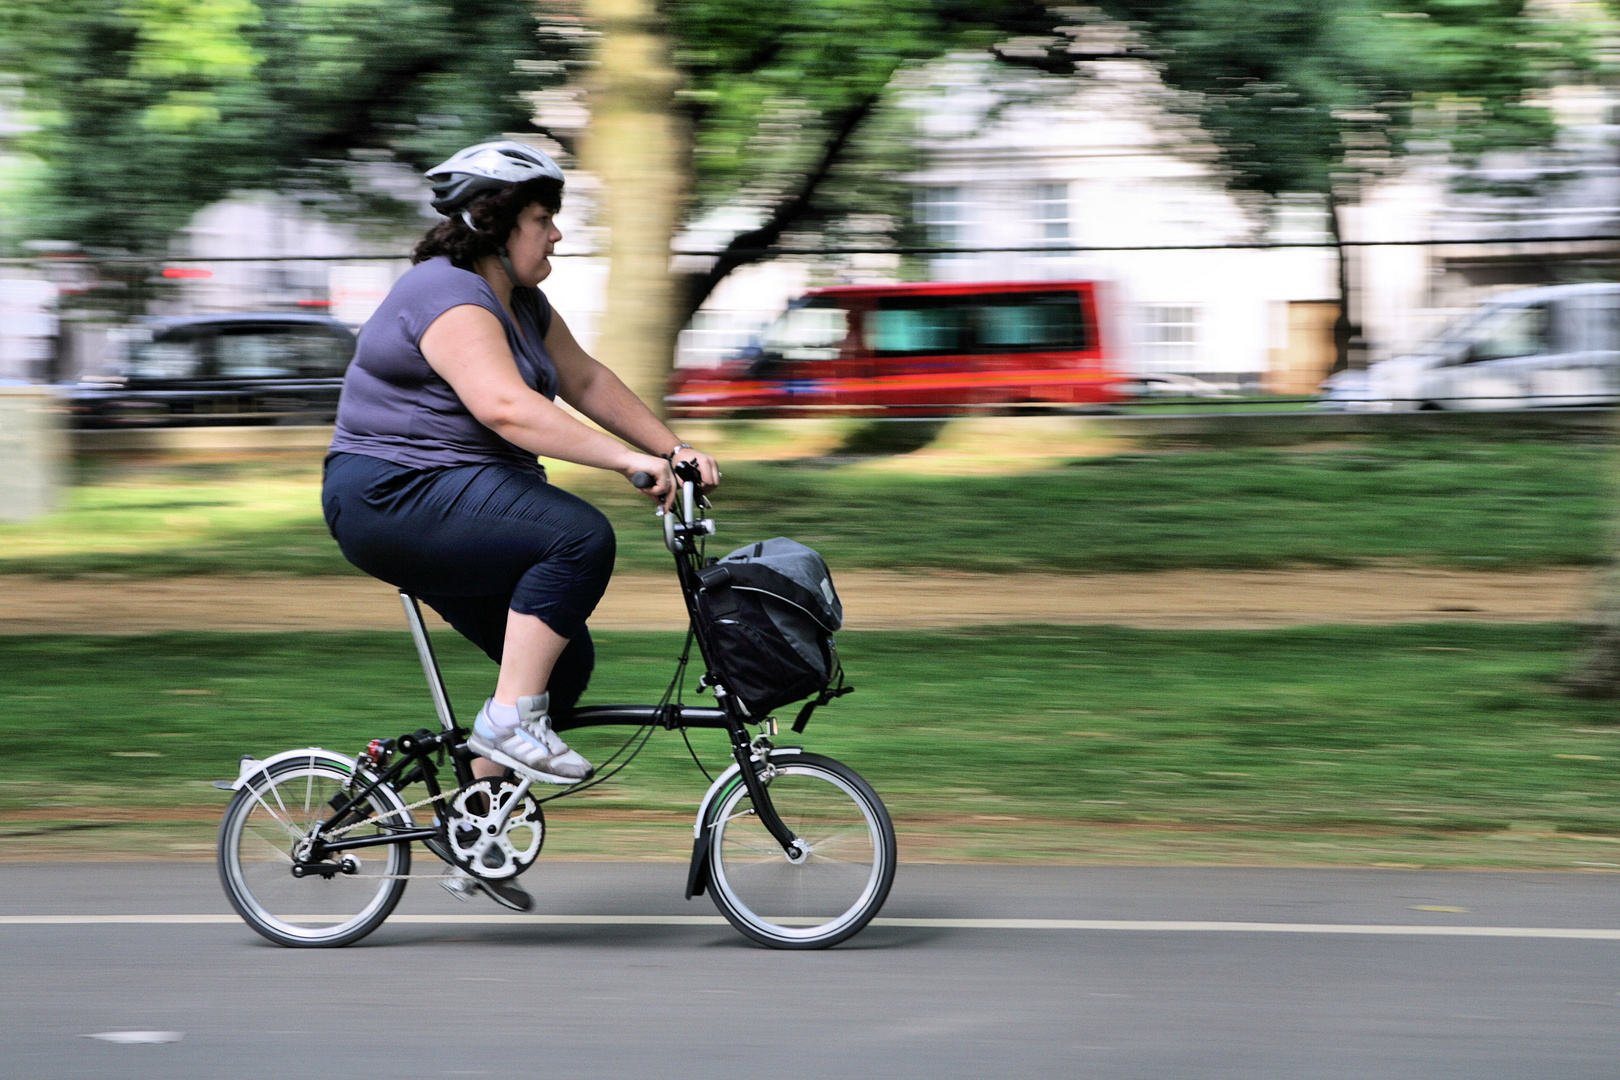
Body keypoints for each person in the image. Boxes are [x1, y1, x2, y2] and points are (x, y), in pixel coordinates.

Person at [321, 140, 719, 906]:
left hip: (450, 495)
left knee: (557, 667)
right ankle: (507, 724)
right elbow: (506, 406)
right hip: (392, 495)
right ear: (491, 221)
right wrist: (627, 464)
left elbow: (586, 379)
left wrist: (672, 448)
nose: (557, 236)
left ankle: (473, 829)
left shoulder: (523, 304)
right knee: (577, 536)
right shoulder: (447, 296)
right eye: (543, 220)